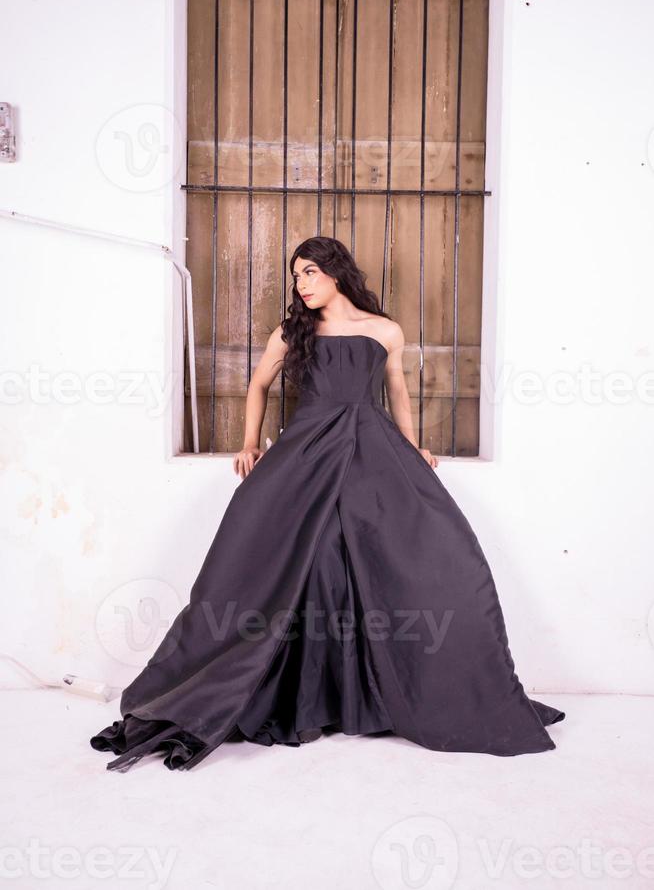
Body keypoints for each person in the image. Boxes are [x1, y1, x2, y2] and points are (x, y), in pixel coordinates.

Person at [90, 235, 564, 772]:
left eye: (309, 272)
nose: (301, 284)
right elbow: (258, 384)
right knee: (294, 563)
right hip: (307, 450)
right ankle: (294, 694)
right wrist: (249, 443)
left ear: (336, 272)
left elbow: (398, 392)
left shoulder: (384, 331)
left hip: (372, 450)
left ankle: (395, 694)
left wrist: (413, 449)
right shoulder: (294, 332)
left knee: (429, 558)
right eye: (296, 276)